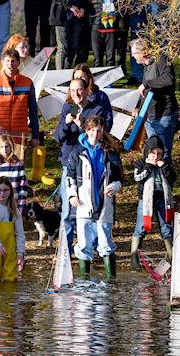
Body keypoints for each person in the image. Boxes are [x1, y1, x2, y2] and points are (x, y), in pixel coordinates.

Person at [67, 115, 123, 278]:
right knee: (83, 242)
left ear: (103, 131)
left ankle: (111, 280)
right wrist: (72, 195)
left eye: (98, 131)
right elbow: (69, 175)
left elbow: (119, 177)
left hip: (105, 202)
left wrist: (114, 186)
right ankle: (84, 279)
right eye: (92, 130)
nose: (95, 134)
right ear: (86, 130)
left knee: (105, 241)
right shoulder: (77, 151)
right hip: (83, 202)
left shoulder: (110, 152)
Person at [53, 78, 106, 246]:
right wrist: (66, 124)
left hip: (90, 162)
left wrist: (82, 125)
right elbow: (59, 137)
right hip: (70, 161)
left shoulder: (96, 109)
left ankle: (95, 246)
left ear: (86, 90)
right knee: (68, 208)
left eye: (80, 89)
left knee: (94, 205)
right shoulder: (67, 108)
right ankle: (65, 248)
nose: (76, 93)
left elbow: (99, 134)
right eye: (73, 90)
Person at [131, 38, 180, 161]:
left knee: (163, 153)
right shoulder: (146, 66)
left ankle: (166, 178)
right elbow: (145, 90)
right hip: (150, 116)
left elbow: (168, 79)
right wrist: (138, 107)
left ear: (142, 52)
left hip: (164, 115)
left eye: (134, 53)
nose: (132, 56)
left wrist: (147, 84)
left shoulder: (161, 60)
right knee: (153, 152)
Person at [131, 136, 176, 269]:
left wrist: (164, 167)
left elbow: (173, 178)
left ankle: (172, 257)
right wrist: (149, 166)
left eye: (159, 153)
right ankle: (134, 259)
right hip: (145, 200)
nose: (156, 156)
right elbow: (138, 178)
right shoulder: (141, 163)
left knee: (166, 227)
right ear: (147, 152)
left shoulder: (166, 163)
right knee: (141, 227)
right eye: (153, 153)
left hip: (163, 199)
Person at [0, 48, 40, 147]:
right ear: (3, 62)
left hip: (20, 135)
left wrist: (35, 136)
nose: (10, 64)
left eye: (13, 61)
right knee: (0, 162)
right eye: (7, 61)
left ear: (18, 62)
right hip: (0, 136)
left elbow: (33, 110)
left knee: (18, 162)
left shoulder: (28, 83)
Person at [0, 134, 28, 213]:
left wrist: (21, 206)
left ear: (11, 147)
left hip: (13, 204)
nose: (4, 149)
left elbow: (23, 187)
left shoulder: (18, 165)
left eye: (7, 146)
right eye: (1, 147)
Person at [91, 0, 121, 67]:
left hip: (112, 28)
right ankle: (97, 81)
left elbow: (122, 7)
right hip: (97, 27)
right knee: (97, 58)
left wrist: (117, 16)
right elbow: (89, 7)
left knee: (110, 58)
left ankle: (109, 82)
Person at [72, 64, 114, 131]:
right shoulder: (74, 97)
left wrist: (98, 135)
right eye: (76, 78)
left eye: (82, 77)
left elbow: (108, 121)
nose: (79, 80)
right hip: (77, 137)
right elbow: (72, 118)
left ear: (88, 78)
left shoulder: (101, 96)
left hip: (95, 136)